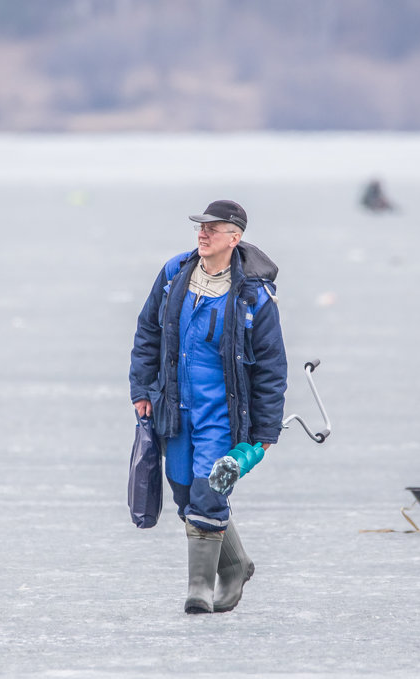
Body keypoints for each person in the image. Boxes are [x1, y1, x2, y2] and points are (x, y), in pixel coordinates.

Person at [129, 199, 288, 614]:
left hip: (221, 414)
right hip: (174, 408)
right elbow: (148, 332)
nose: (203, 234)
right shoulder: (174, 275)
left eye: (213, 229)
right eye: (201, 227)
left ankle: (199, 587)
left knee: (209, 490)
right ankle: (235, 565)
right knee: (185, 493)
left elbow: (272, 367)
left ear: (234, 239)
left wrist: (265, 434)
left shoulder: (254, 296)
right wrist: (142, 390)